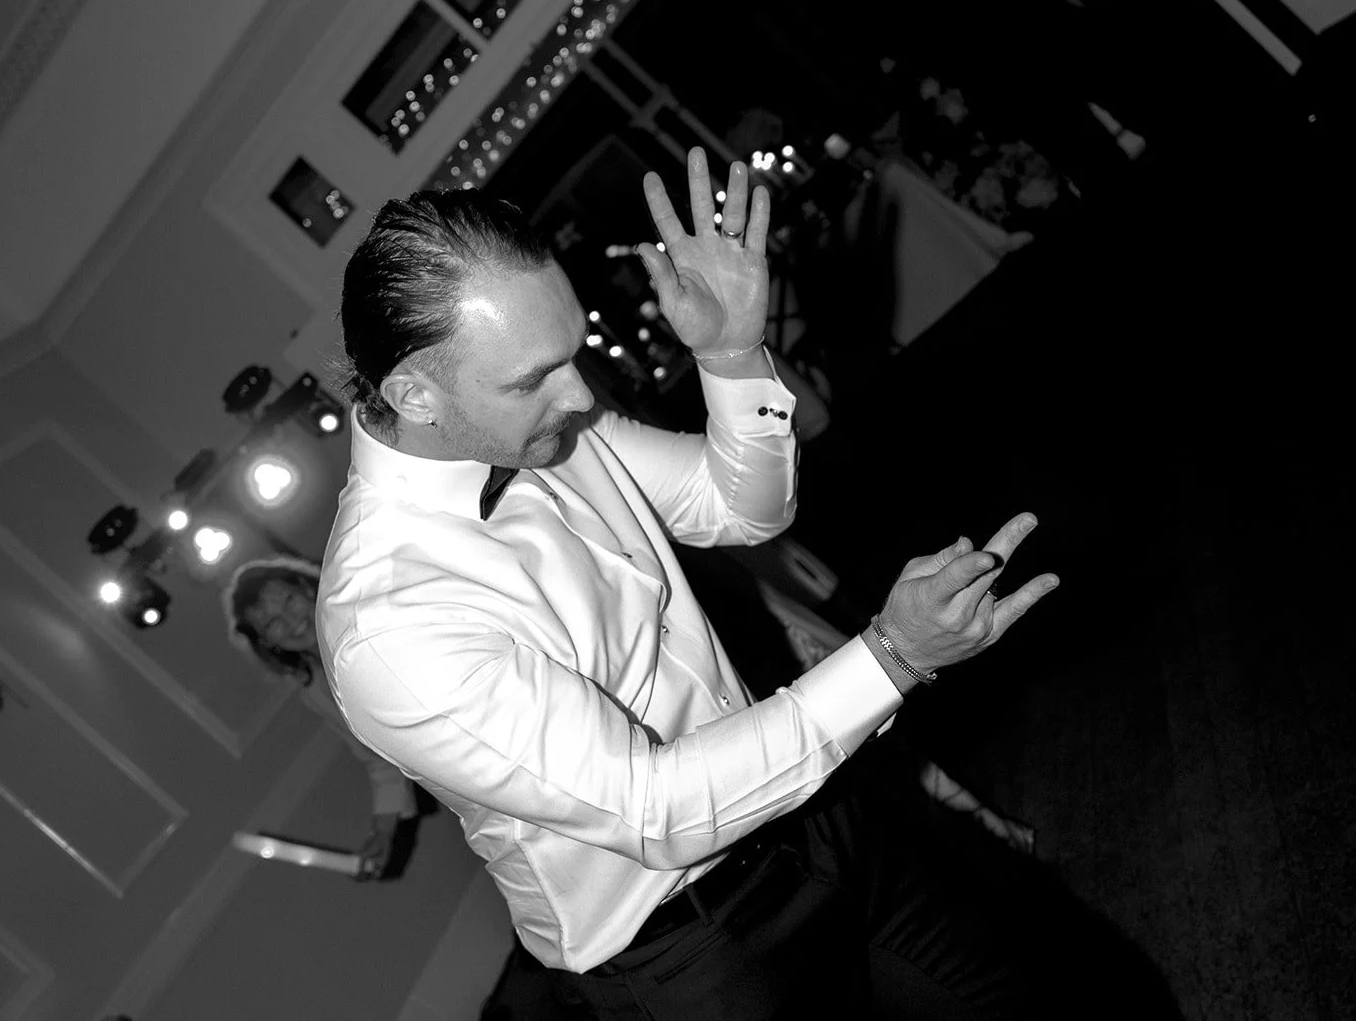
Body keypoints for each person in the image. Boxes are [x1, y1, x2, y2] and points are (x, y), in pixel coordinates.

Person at [316, 147, 1064, 1016]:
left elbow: (741, 509)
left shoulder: (550, 422)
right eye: (532, 378)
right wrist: (892, 655)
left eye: (573, 350)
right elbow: (656, 810)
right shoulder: (386, 623)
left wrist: (734, 353)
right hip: (699, 953)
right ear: (415, 395)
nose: (577, 393)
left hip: (812, 810)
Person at [224, 555, 418, 880]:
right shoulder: (315, 691)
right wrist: (383, 832)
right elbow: (379, 760)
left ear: (307, 587)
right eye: (272, 623)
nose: (290, 620)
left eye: (289, 600)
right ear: (268, 643)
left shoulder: (375, 614)